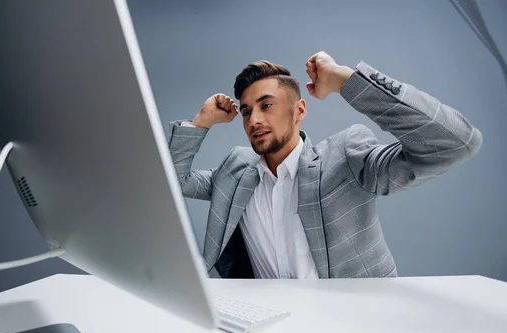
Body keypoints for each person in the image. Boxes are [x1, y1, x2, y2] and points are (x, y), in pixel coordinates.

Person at [168, 51, 482, 279]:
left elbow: (454, 143)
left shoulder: (344, 158)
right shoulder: (236, 171)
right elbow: (171, 180)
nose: (255, 120)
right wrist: (201, 122)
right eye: (247, 111)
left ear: (299, 109)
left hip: (354, 329)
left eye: (267, 105)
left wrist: (345, 81)